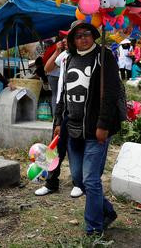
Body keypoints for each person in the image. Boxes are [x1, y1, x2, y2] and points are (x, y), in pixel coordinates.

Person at [54, 21, 123, 236]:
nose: (83, 38)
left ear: (93, 35)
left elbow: (110, 93)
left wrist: (103, 125)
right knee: (80, 179)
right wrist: (58, 120)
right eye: (78, 36)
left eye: (87, 34)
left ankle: (94, 228)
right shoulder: (70, 58)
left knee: (91, 180)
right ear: (72, 40)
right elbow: (63, 92)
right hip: (73, 128)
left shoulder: (104, 56)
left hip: (96, 130)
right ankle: (108, 212)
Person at [36, 32, 83, 199]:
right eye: (65, 38)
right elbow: (47, 68)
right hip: (61, 107)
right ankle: (50, 183)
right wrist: (56, 51)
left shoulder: (85, 57)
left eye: (68, 38)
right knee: (54, 147)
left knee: (75, 148)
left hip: (77, 109)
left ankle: (78, 183)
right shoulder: (63, 55)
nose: (65, 41)